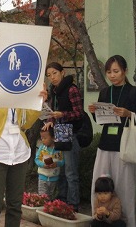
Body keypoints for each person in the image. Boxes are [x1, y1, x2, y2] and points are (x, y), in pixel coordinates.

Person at [0, 51, 47, 227]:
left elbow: (26, 124)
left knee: (15, 206)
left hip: (19, 153)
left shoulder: (18, 90)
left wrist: (38, 103)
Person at [88, 55, 136, 227]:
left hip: (125, 145)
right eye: (109, 72)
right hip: (105, 143)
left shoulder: (134, 92)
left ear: (125, 71)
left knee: (125, 186)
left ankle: (127, 222)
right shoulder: (105, 92)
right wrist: (93, 111)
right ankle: (98, 218)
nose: (112, 75)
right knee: (99, 183)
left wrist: (129, 114)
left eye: (116, 71)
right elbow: (100, 120)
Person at [42, 62, 83, 212]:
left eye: (55, 73)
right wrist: (50, 120)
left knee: (71, 172)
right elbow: (53, 111)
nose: (52, 77)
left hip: (71, 133)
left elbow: (79, 113)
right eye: (49, 75)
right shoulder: (54, 91)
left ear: (62, 72)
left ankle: (73, 205)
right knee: (61, 170)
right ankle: (62, 200)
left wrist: (62, 115)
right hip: (59, 133)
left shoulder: (72, 89)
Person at [35, 127, 65, 199]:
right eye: (41, 138)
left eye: (45, 138)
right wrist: (43, 165)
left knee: (51, 197)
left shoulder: (57, 149)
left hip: (54, 178)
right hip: (42, 177)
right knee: (42, 197)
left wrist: (56, 164)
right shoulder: (42, 148)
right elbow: (37, 159)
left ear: (53, 138)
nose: (43, 140)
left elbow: (62, 161)